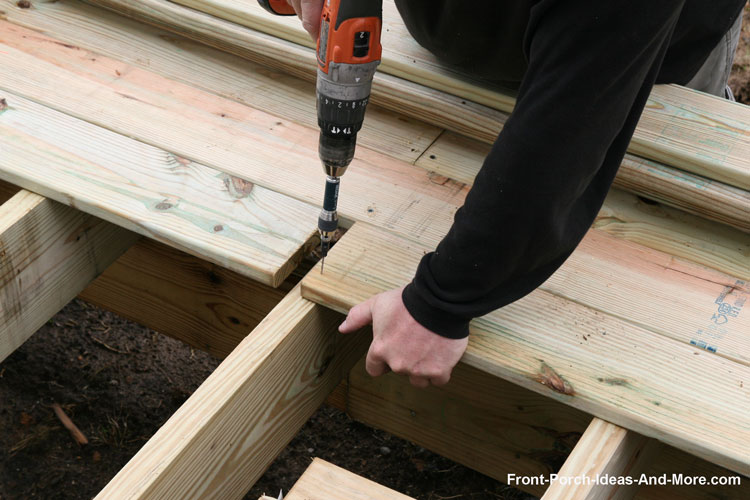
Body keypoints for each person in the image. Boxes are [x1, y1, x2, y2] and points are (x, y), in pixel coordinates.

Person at [286, 0, 746, 388]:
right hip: (471, 31)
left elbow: (571, 123)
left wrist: (441, 303)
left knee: (670, 205)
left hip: (643, 47)